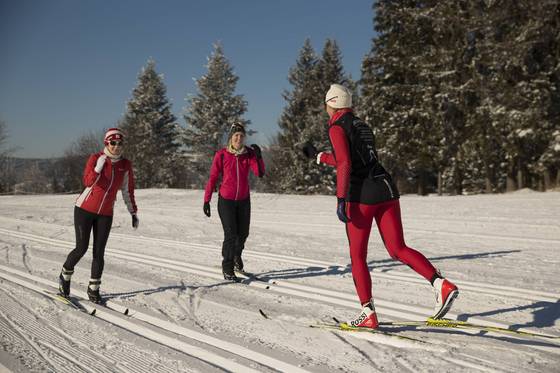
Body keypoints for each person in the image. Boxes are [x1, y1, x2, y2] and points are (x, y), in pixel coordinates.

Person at [303, 84, 458, 328]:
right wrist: (320, 157)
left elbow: (345, 164)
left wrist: (341, 198)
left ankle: (368, 313)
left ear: (331, 104)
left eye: (326, 105)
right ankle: (441, 284)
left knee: (358, 256)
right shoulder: (361, 124)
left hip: (361, 197)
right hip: (386, 189)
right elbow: (353, 159)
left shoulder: (336, 126)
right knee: (398, 248)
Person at [58, 128, 138, 303]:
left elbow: (127, 190)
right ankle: (65, 276)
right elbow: (87, 182)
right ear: (106, 143)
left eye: (120, 143)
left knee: (99, 252)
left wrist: (133, 211)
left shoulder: (125, 165)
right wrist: (98, 167)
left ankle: (93, 289)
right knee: (81, 248)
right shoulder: (96, 158)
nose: (117, 146)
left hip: (105, 214)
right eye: (113, 143)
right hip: (84, 210)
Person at [203, 123, 265, 282]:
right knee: (230, 234)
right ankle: (227, 266)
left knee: (243, 233)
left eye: (241, 136)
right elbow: (213, 177)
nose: (239, 138)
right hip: (226, 201)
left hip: (244, 200)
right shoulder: (222, 155)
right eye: (236, 135)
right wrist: (207, 200)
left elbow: (259, 173)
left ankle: (237, 255)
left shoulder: (248, 154)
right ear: (231, 138)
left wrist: (258, 157)